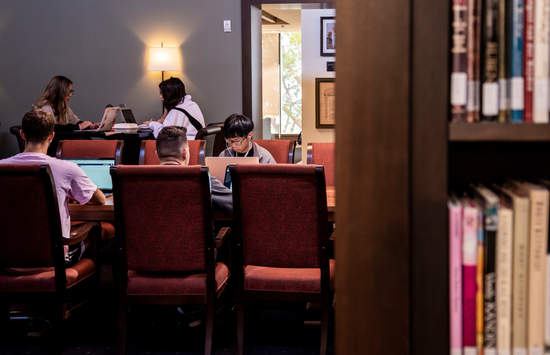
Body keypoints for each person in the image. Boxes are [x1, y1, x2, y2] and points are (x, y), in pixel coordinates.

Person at [0, 109, 106, 265]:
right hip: (53, 260)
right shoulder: (66, 169)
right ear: (51, 136)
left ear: (22, 134)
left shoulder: (2, 167)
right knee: (94, 231)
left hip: (6, 258)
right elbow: (100, 200)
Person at [156, 126, 232, 215]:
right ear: (185, 153)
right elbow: (238, 205)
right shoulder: (204, 180)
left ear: (156, 154)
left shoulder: (138, 180)